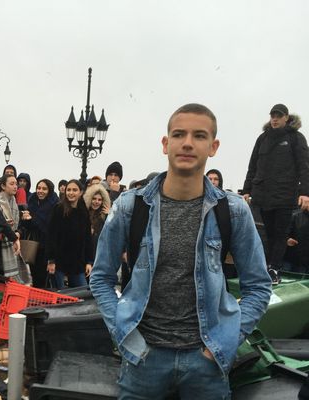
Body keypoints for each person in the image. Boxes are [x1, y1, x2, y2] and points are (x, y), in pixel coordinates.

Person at [90, 103, 272, 399]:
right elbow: (100, 278)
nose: (187, 143)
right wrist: (124, 335)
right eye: (179, 134)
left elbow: (259, 287)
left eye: (199, 136)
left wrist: (225, 342)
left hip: (207, 363)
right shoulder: (130, 206)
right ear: (166, 144)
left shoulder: (234, 210)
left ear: (213, 147)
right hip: (143, 359)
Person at [242, 104, 309, 284]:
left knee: (280, 234)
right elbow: (252, 165)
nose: (275, 118)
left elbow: (305, 166)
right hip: (262, 195)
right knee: (268, 233)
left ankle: (274, 268)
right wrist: (247, 189)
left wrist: (305, 193)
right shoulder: (262, 138)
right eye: (272, 115)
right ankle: (267, 266)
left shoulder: (296, 138)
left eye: (279, 115)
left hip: (285, 195)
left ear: (286, 117)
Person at [46, 179, 93, 289]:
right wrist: (51, 260)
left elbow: (87, 238)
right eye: (69, 190)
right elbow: (51, 235)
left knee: (83, 293)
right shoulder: (58, 209)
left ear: (81, 192)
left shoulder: (83, 211)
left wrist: (89, 261)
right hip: (59, 262)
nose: (71, 193)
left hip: (77, 263)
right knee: (60, 296)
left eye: (74, 190)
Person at [20, 178, 59, 287]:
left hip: (46, 248)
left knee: (41, 279)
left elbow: (49, 228)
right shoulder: (32, 201)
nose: (40, 191)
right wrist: (25, 219)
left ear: (50, 190)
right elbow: (29, 226)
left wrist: (33, 219)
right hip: (32, 245)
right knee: (30, 277)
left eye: (44, 189)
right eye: (38, 188)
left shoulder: (54, 205)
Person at [83, 183, 111, 258]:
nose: (96, 202)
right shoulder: (83, 214)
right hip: (84, 254)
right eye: (94, 199)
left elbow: (112, 232)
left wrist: (109, 215)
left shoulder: (106, 216)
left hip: (100, 255)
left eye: (99, 200)